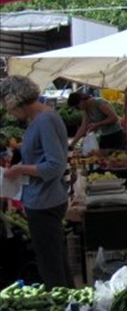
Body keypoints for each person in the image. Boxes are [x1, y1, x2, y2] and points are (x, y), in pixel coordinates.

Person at [0, 76, 72, 287]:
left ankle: (63, 303)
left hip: (45, 201)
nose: (8, 112)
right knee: (56, 261)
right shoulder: (41, 119)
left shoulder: (45, 120)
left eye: (6, 105)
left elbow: (54, 165)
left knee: (51, 267)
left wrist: (20, 169)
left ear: (14, 100)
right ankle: (72, 302)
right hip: (44, 199)